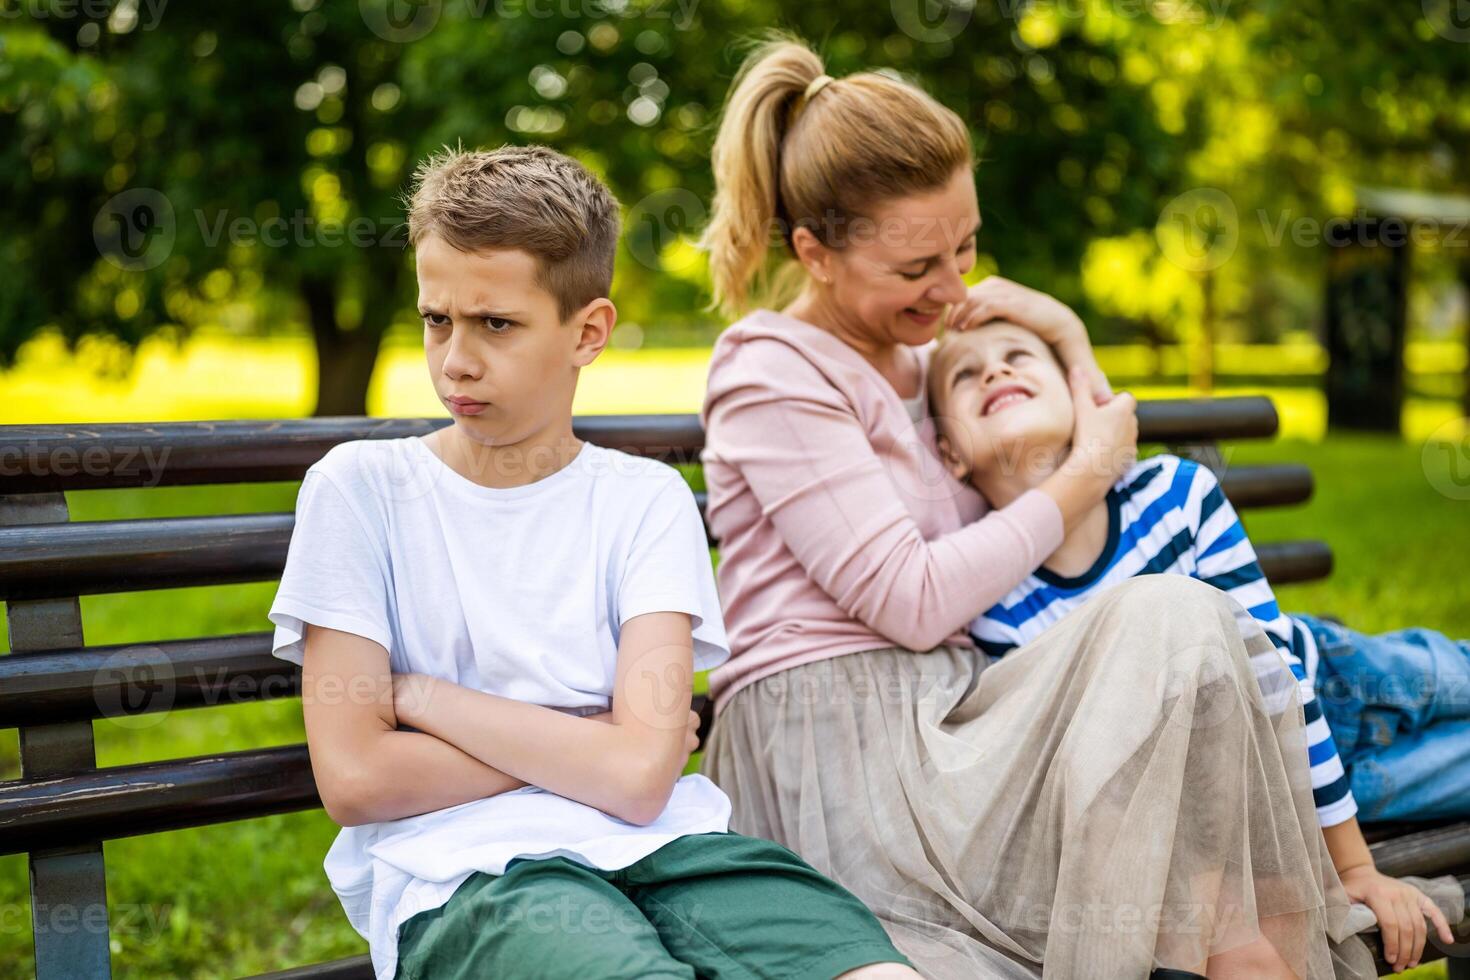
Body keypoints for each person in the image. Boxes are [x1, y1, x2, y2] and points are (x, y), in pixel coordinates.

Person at [697, 32, 1379, 979]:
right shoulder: (771, 371)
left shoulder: (928, 359)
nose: (953, 289)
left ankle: (1240, 957)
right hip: (840, 759)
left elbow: (1073, 438)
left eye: (965, 247)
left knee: (1179, 616)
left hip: (964, 726)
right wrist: (1084, 477)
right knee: (1177, 628)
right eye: (915, 269)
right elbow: (916, 598)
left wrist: (1063, 330)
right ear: (812, 251)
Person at [267, 144, 919, 980]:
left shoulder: (644, 501)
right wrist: (596, 740)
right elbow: (358, 778)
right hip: (471, 876)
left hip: (673, 849)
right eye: (437, 320)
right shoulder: (359, 491)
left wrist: (423, 697)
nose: (456, 359)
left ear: (589, 332)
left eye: (495, 324)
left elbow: (645, 780)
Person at [930, 319, 1463, 973]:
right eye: (965, 374)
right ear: (951, 453)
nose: (995, 372)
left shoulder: (1174, 495)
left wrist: (1354, 867)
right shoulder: (992, 600)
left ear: (1084, 401)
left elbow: (1278, 676)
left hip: (1333, 690)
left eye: (1018, 356)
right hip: (1283, 787)